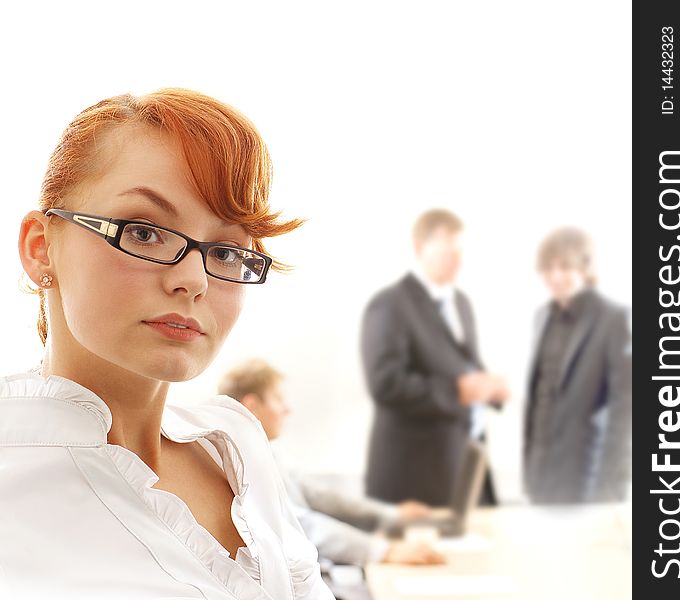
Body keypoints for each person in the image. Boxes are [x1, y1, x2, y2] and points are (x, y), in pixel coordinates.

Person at [0, 89, 334, 599]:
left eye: (225, 250)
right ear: (41, 247)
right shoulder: (16, 477)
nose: (194, 280)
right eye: (144, 232)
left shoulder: (234, 444)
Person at [218, 359, 446, 569]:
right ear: (252, 404)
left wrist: (391, 515)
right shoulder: (241, 462)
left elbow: (319, 495)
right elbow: (298, 524)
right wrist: (383, 551)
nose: (287, 409)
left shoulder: (268, 452)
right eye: (279, 399)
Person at [360, 209, 509, 507]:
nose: (456, 257)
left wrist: (489, 388)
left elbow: (464, 365)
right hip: (417, 479)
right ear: (419, 247)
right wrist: (458, 390)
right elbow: (386, 384)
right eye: (446, 247)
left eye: (459, 248)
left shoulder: (461, 303)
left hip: (467, 469)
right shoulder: (390, 304)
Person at [523, 227, 632, 504]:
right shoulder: (541, 316)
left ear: (585, 267)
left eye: (565, 266)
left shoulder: (615, 318)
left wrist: (611, 489)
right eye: (548, 268)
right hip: (539, 476)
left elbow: (627, 408)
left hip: (587, 477)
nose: (556, 276)